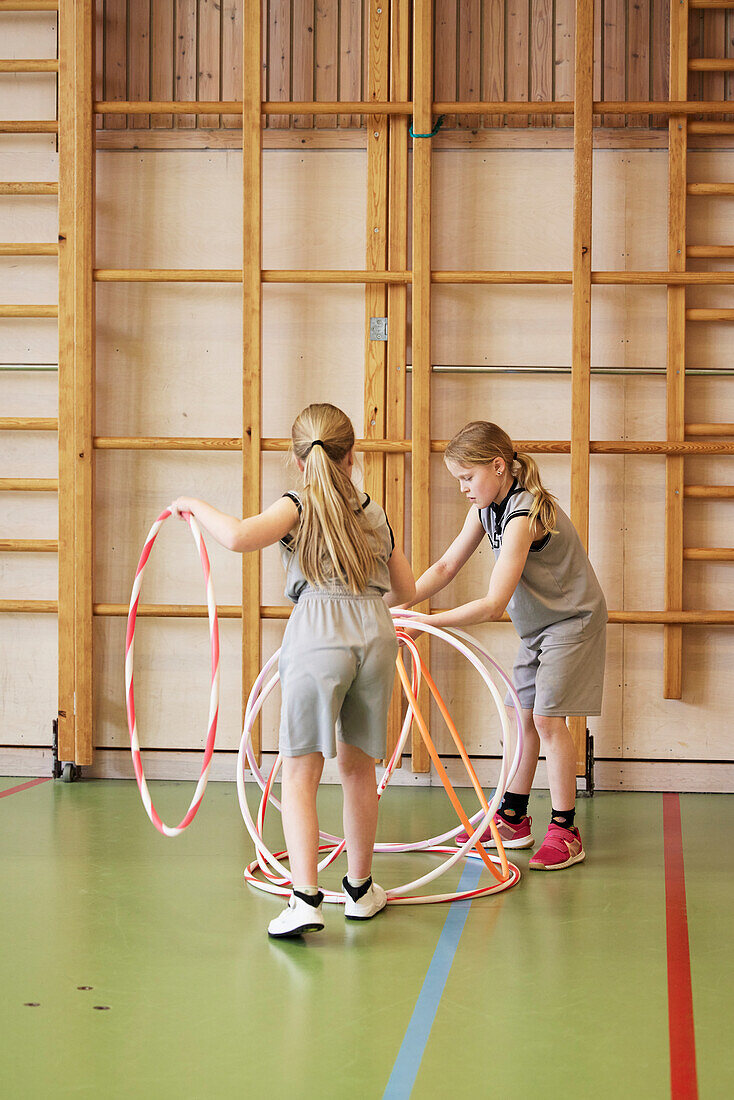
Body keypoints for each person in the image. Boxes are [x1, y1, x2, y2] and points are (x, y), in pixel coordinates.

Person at [170, 403, 416, 935]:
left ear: (299, 459)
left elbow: (236, 537)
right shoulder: (375, 511)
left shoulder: (297, 505)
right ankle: (358, 889)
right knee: (358, 768)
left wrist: (191, 502)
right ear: (352, 456)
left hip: (318, 632)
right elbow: (407, 592)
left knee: (300, 770)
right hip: (376, 633)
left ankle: (305, 899)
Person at [405, 421, 607, 871]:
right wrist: (394, 605)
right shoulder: (486, 508)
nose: (462, 488)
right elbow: (444, 567)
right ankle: (513, 817)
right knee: (520, 718)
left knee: (549, 720)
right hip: (540, 629)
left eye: (467, 477)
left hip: (573, 623)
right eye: (458, 479)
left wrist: (427, 623)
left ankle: (566, 829)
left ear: (498, 467)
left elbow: (495, 603)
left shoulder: (524, 514)